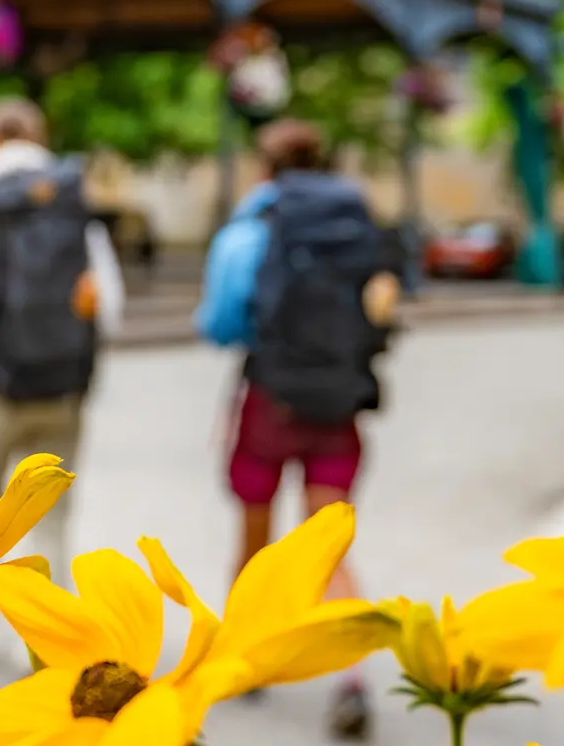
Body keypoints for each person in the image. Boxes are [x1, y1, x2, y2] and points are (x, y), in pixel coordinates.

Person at [194, 118, 401, 742]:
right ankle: (353, 679)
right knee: (327, 543)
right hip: (338, 406)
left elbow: (221, 323)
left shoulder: (253, 229)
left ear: (266, 169)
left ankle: (245, 660)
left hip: (270, 402)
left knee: (255, 540)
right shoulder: (355, 222)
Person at [0, 96, 125, 655]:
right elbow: (109, 305)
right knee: (50, 520)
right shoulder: (71, 203)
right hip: (63, 388)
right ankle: (46, 641)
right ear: (40, 137)